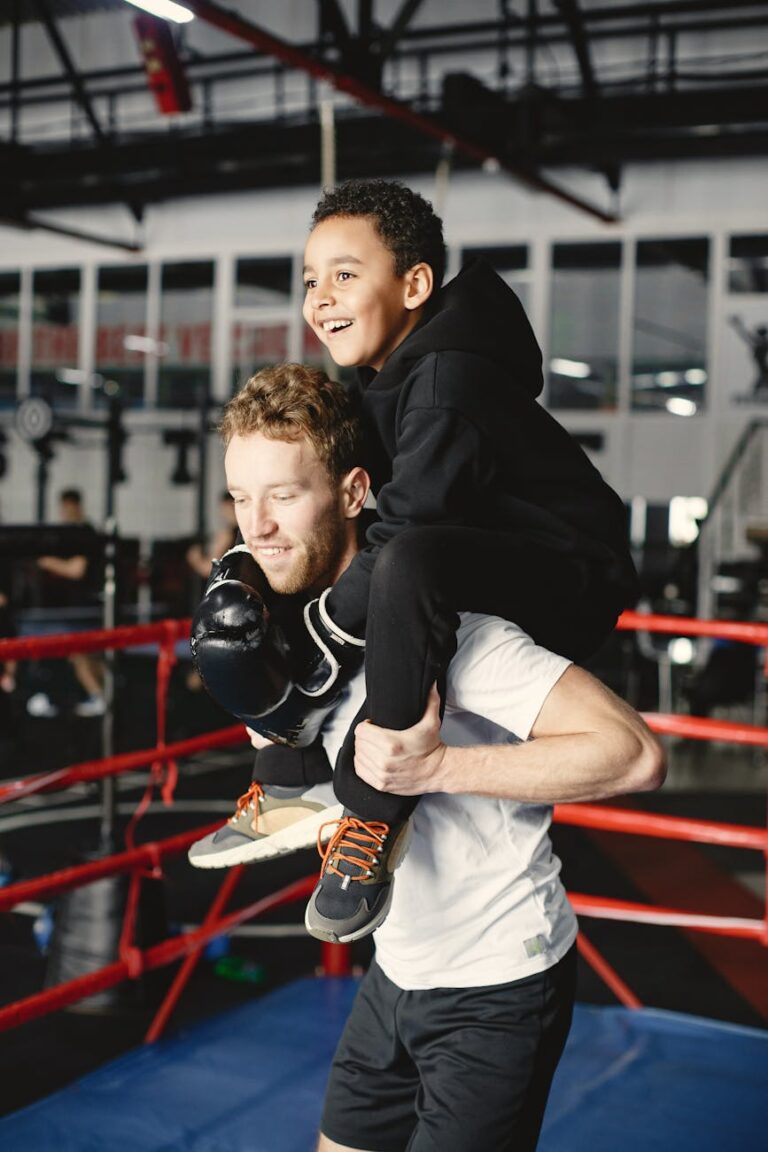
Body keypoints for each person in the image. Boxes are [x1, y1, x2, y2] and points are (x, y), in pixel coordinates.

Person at [188, 365, 665, 1149]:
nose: (258, 526)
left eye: (284, 495)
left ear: (352, 493)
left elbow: (635, 754)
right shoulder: (289, 639)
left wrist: (437, 768)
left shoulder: (456, 635)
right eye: (241, 498)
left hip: (498, 986)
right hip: (398, 971)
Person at [193, 178, 640, 943]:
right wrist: (254, 573)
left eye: (344, 274)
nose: (321, 298)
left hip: (571, 574)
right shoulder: (386, 373)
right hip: (483, 547)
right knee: (273, 551)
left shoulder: (445, 380)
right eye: (310, 280)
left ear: (414, 285)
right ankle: (287, 782)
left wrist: (317, 647)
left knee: (400, 563)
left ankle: (372, 812)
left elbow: (411, 529)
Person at [30, 488, 104, 718]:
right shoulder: (75, 534)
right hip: (79, 608)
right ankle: (99, 696)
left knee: (80, 653)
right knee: (81, 654)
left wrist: (47, 562)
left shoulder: (84, 534)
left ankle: (99, 696)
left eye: (68, 508)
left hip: (89, 609)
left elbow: (76, 570)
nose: (65, 513)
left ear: (76, 506)